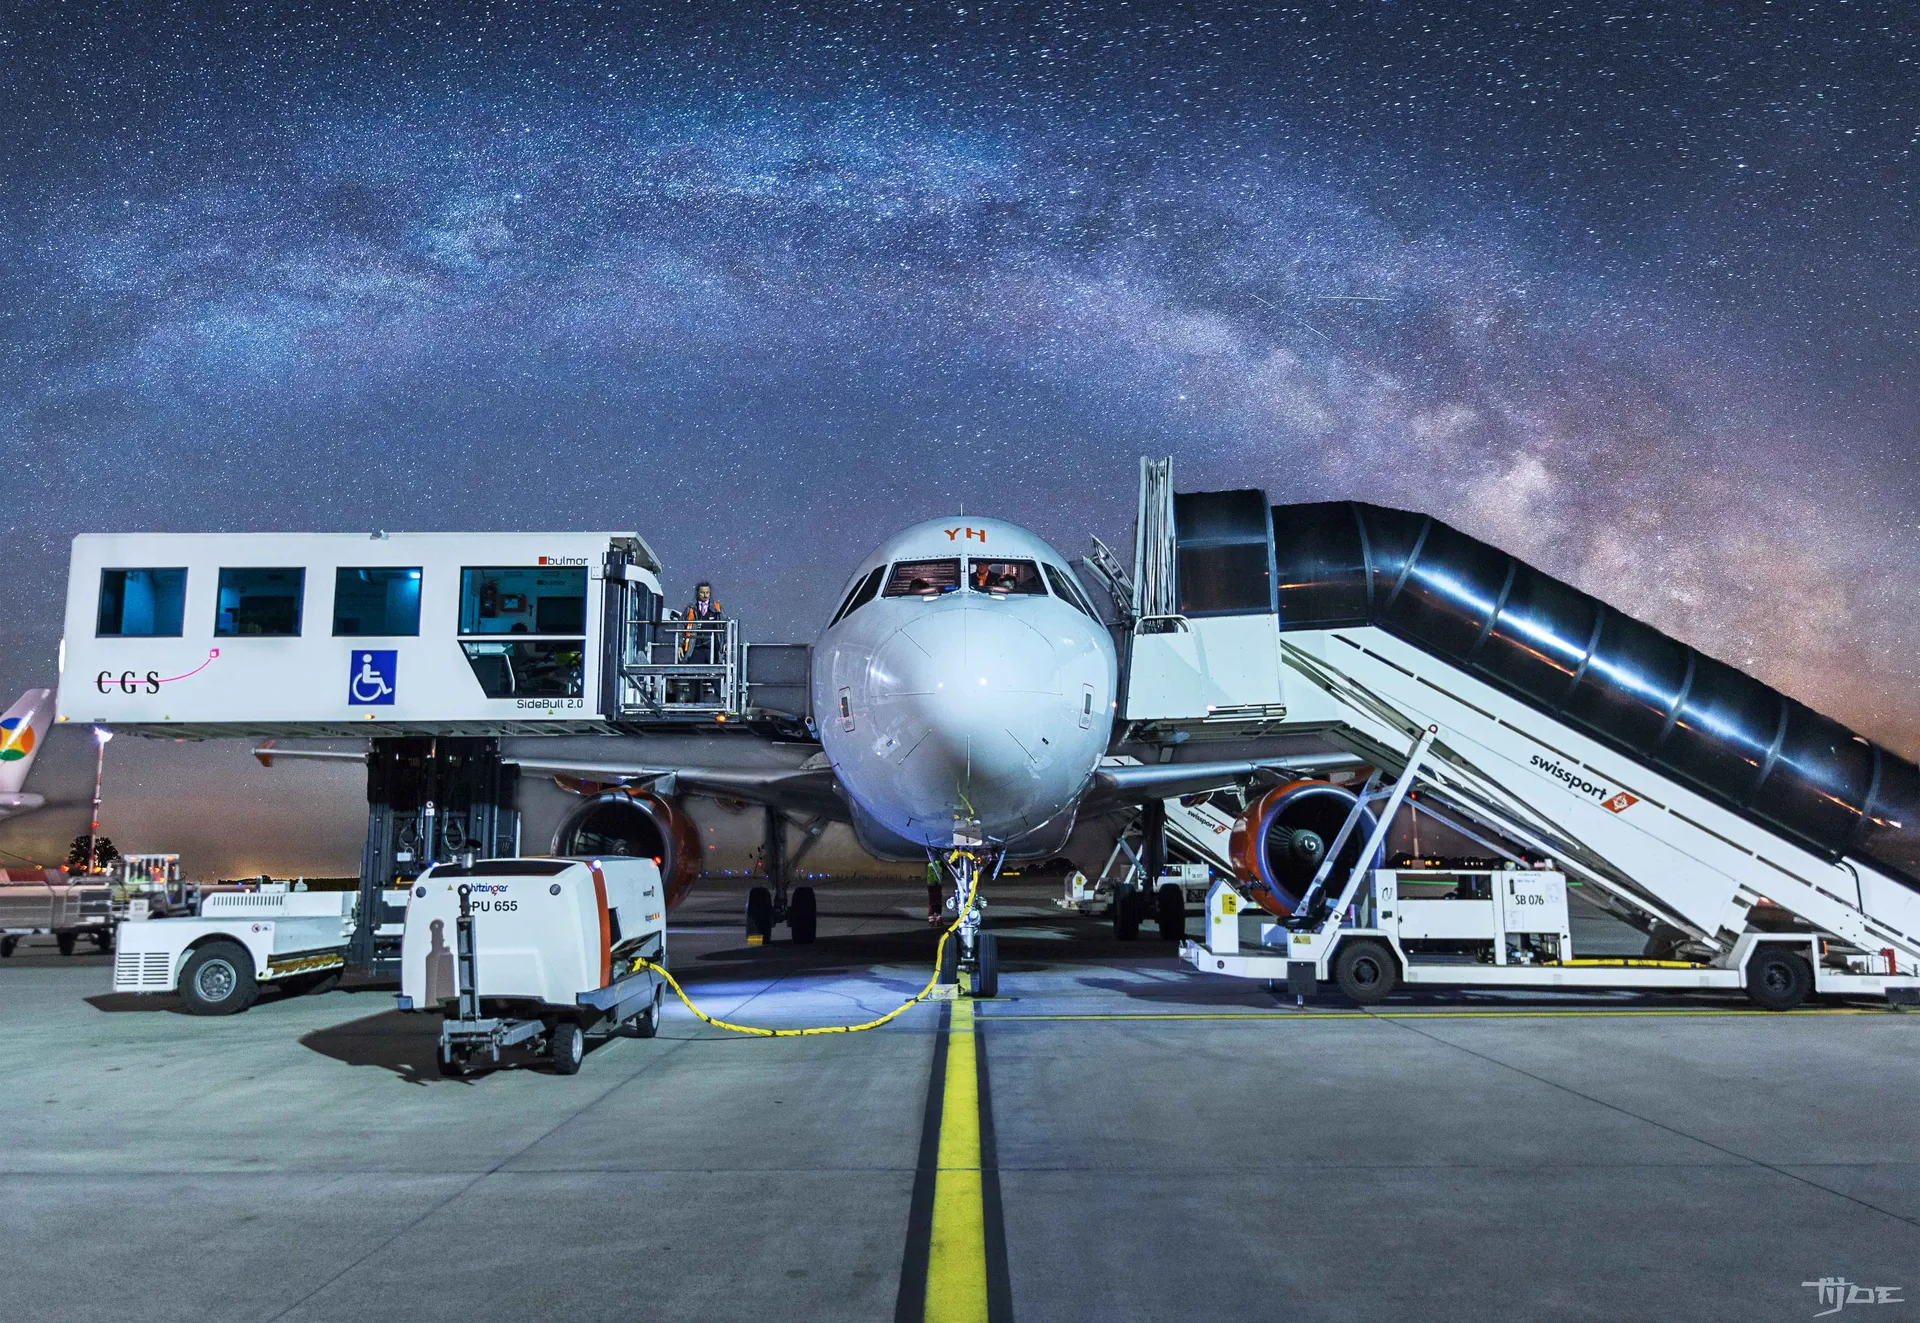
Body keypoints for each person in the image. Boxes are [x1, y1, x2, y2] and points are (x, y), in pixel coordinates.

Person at [677, 582, 726, 701]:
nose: (705, 595)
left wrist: (725, 643)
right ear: (697, 593)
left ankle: (723, 702)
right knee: (695, 676)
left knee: (716, 675)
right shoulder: (690, 608)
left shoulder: (716, 608)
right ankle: (696, 705)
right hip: (695, 647)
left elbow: (725, 626)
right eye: (702, 592)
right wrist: (680, 645)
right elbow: (681, 627)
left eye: (707, 592)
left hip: (712, 647)